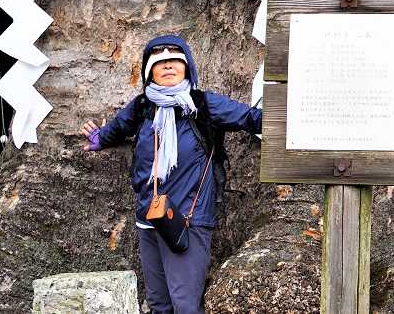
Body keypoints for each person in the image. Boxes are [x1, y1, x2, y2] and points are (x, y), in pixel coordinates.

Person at [81, 34, 262, 314]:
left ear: (187, 67)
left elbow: (251, 118)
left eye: (175, 60)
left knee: (185, 305)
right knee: (159, 304)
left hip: (189, 220)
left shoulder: (203, 104)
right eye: (159, 61)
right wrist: (99, 137)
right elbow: (117, 128)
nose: (168, 66)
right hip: (149, 218)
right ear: (149, 71)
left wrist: (292, 116)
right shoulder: (143, 106)